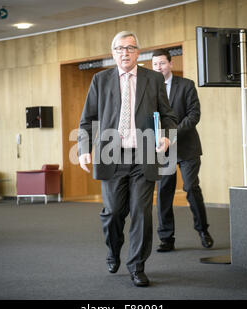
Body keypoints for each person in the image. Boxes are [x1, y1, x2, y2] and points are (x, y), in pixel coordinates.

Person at [78, 31, 177, 287]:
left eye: (131, 48)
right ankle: (113, 250)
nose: (125, 52)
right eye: (120, 48)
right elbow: (87, 118)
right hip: (112, 155)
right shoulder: (100, 80)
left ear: (137, 52)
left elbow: (167, 116)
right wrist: (84, 147)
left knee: (142, 213)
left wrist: (166, 136)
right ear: (113, 53)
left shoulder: (153, 79)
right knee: (112, 213)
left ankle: (137, 266)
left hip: (143, 156)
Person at [151, 49, 213, 252]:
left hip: (186, 147)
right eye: (155, 65)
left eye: (162, 63)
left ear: (170, 64)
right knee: (164, 193)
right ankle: (166, 238)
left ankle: (203, 230)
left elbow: (194, 115)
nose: (159, 68)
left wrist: (172, 135)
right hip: (163, 150)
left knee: (191, 188)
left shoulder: (186, 85)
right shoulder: (149, 88)